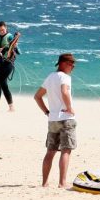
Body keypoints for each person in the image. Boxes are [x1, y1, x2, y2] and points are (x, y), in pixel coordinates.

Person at [33, 53, 77, 188]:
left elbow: (37, 96)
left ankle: (44, 183)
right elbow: (64, 92)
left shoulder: (50, 77)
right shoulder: (65, 77)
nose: (73, 67)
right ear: (63, 63)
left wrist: (47, 112)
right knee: (66, 150)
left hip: (52, 120)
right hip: (66, 119)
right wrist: (69, 108)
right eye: (71, 64)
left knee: (50, 151)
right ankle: (62, 183)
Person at [0, 21, 19, 112]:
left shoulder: (10, 37)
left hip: (8, 64)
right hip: (0, 64)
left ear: (6, 28)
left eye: (3, 30)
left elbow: (18, 52)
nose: (1, 32)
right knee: (3, 85)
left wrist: (15, 46)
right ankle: (11, 107)